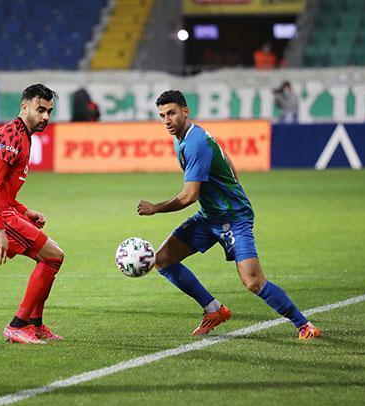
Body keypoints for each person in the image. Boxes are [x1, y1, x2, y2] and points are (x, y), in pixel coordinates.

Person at [137, 90, 321, 340]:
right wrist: (228, 188)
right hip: (210, 216)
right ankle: (214, 310)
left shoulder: (195, 142)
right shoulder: (182, 138)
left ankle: (304, 325)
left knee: (253, 282)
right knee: (163, 260)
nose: (167, 120)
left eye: (171, 113)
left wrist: (155, 208)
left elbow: (189, 195)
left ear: (185, 111)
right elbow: (227, 160)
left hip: (234, 219)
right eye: (162, 116)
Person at [0, 84, 65, 344]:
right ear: (24, 106)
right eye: (40, 110)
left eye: (49, 111)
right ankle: (18, 325)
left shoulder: (20, 135)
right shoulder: (13, 136)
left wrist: (24, 211)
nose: (45, 117)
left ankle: (35, 325)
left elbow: (2, 188)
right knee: (53, 257)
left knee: (50, 257)